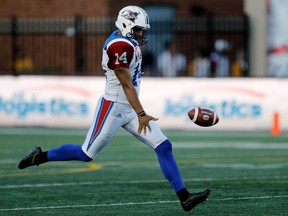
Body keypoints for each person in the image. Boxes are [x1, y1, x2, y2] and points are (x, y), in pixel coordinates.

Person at [18, 6, 210, 212]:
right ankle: (40, 156)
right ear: (126, 25)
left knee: (163, 146)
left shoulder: (124, 40)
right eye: (137, 29)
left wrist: (137, 111)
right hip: (113, 106)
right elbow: (126, 84)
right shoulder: (119, 46)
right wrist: (142, 114)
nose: (140, 34)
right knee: (86, 154)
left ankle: (184, 197)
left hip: (130, 105)